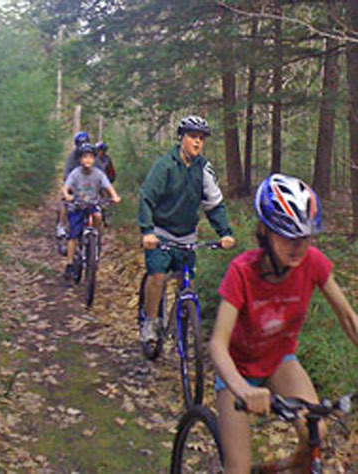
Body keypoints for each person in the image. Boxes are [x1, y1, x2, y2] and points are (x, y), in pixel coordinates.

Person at [209, 173, 358, 474]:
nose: (298, 247)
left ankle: (288, 468)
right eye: (287, 237)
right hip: (237, 371)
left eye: (304, 237)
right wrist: (242, 388)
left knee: (316, 433)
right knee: (237, 468)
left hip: (279, 361)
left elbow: (347, 317)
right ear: (264, 231)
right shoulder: (242, 272)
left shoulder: (312, 263)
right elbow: (217, 344)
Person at [137, 115, 235, 343]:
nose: (197, 142)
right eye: (192, 137)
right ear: (181, 138)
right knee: (158, 276)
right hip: (161, 232)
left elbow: (214, 203)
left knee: (186, 282)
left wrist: (225, 233)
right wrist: (147, 231)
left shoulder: (203, 169)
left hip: (187, 236)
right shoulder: (165, 165)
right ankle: (150, 322)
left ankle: (184, 326)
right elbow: (146, 198)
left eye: (201, 138)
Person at [62, 143, 121, 279]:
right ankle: (69, 264)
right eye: (84, 157)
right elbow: (66, 187)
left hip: (93, 203)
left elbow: (108, 185)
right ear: (80, 159)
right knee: (73, 235)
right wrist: (67, 195)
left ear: (94, 159)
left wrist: (115, 196)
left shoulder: (98, 174)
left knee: (98, 216)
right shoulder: (75, 173)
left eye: (90, 157)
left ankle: (95, 240)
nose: (87, 160)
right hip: (78, 205)